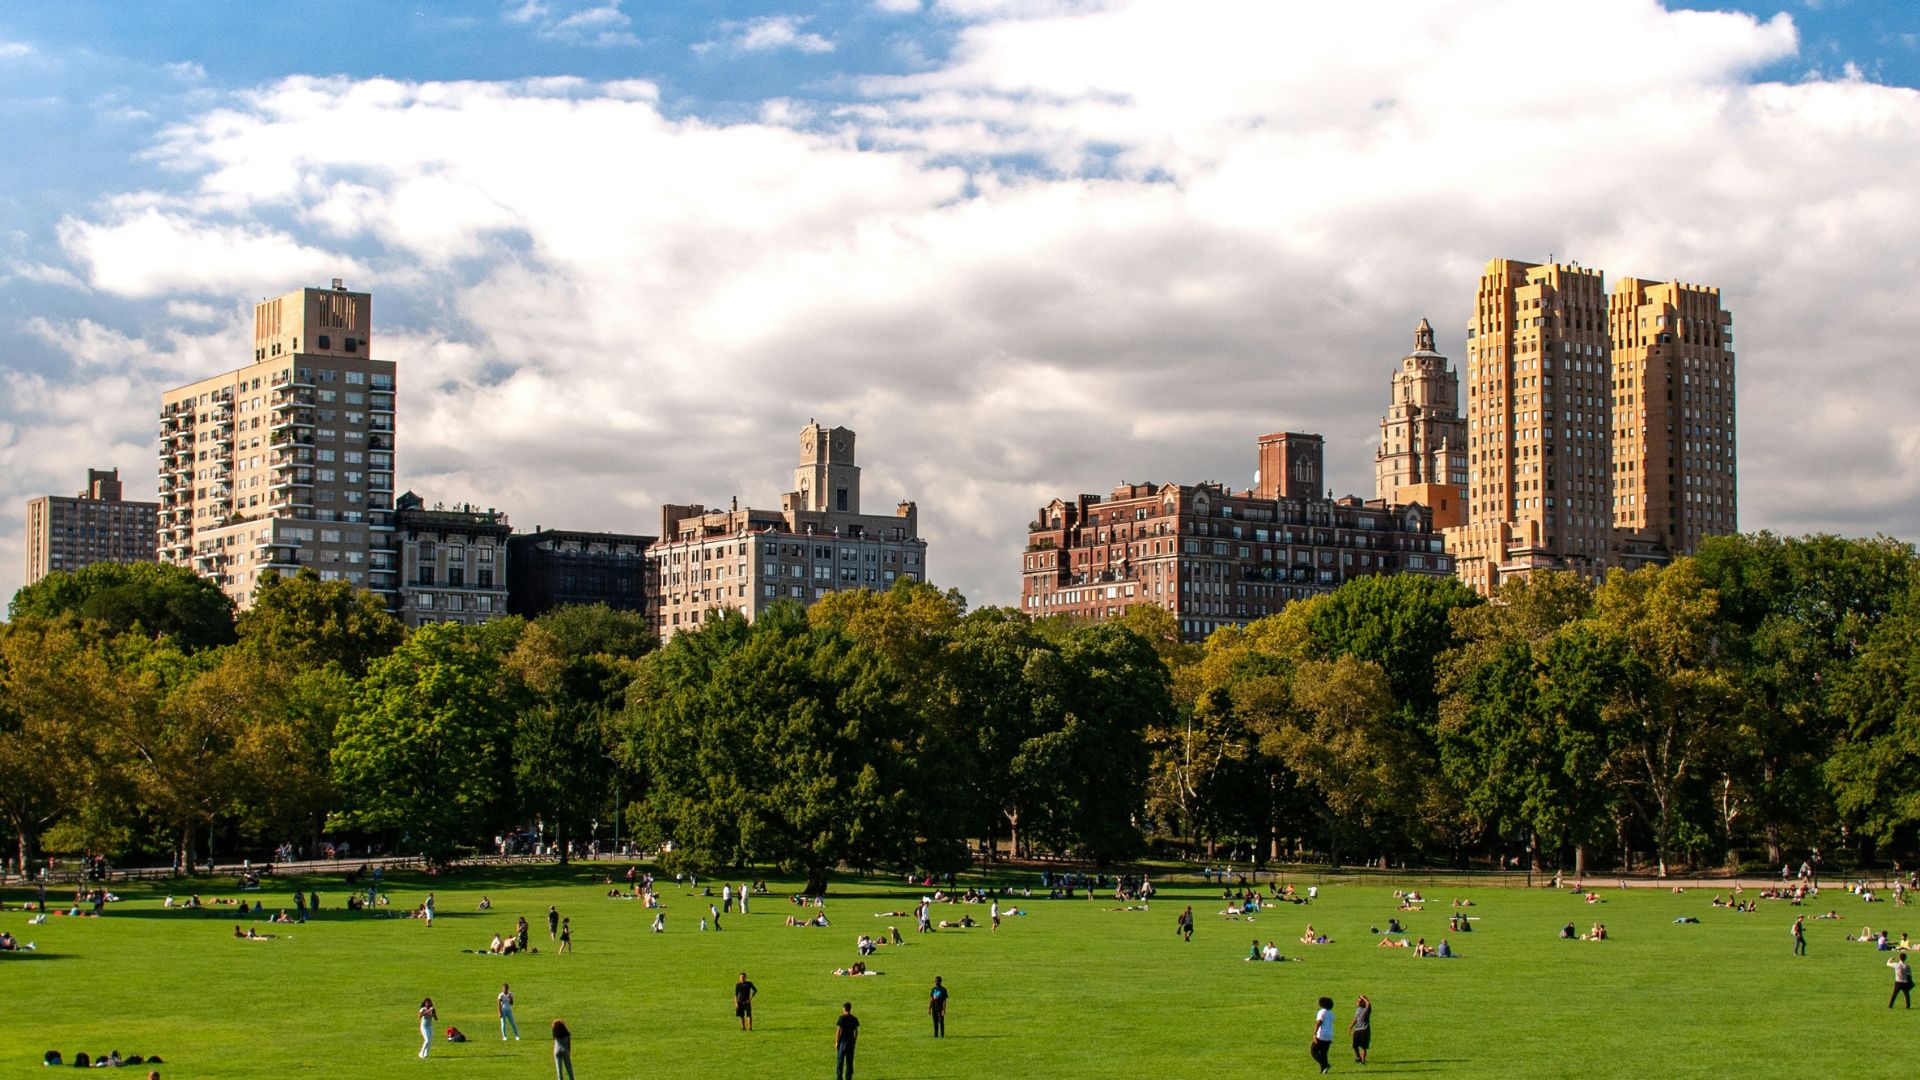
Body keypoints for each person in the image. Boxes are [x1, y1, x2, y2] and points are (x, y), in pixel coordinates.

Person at [834, 1001, 860, 1080]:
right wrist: (854, 1041)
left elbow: (838, 1031)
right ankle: (848, 1078)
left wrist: (837, 1042)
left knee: (840, 1062)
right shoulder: (854, 1019)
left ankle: (839, 1078)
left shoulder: (842, 1018)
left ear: (844, 1009)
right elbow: (856, 1031)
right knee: (849, 1063)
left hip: (842, 1042)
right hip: (850, 1043)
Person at [1311, 996, 1335, 1074]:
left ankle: (1325, 1064)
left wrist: (1314, 1034)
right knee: (1324, 1053)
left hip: (1321, 1035)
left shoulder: (1322, 1012)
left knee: (1313, 1051)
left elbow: (1319, 1022)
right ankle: (1323, 1070)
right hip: (1329, 1036)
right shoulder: (1331, 1013)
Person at [1350, 995, 1371, 1065]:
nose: (1357, 1002)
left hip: (1364, 1029)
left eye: (1359, 1001)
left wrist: (1364, 998)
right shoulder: (1358, 1009)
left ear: (1363, 1002)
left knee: (1363, 1046)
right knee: (1354, 1046)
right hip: (1357, 1029)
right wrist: (1351, 1026)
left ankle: (1363, 1061)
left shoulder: (1367, 1009)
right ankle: (1358, 1057)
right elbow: (1356, 1019)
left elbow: (1368, 1004)